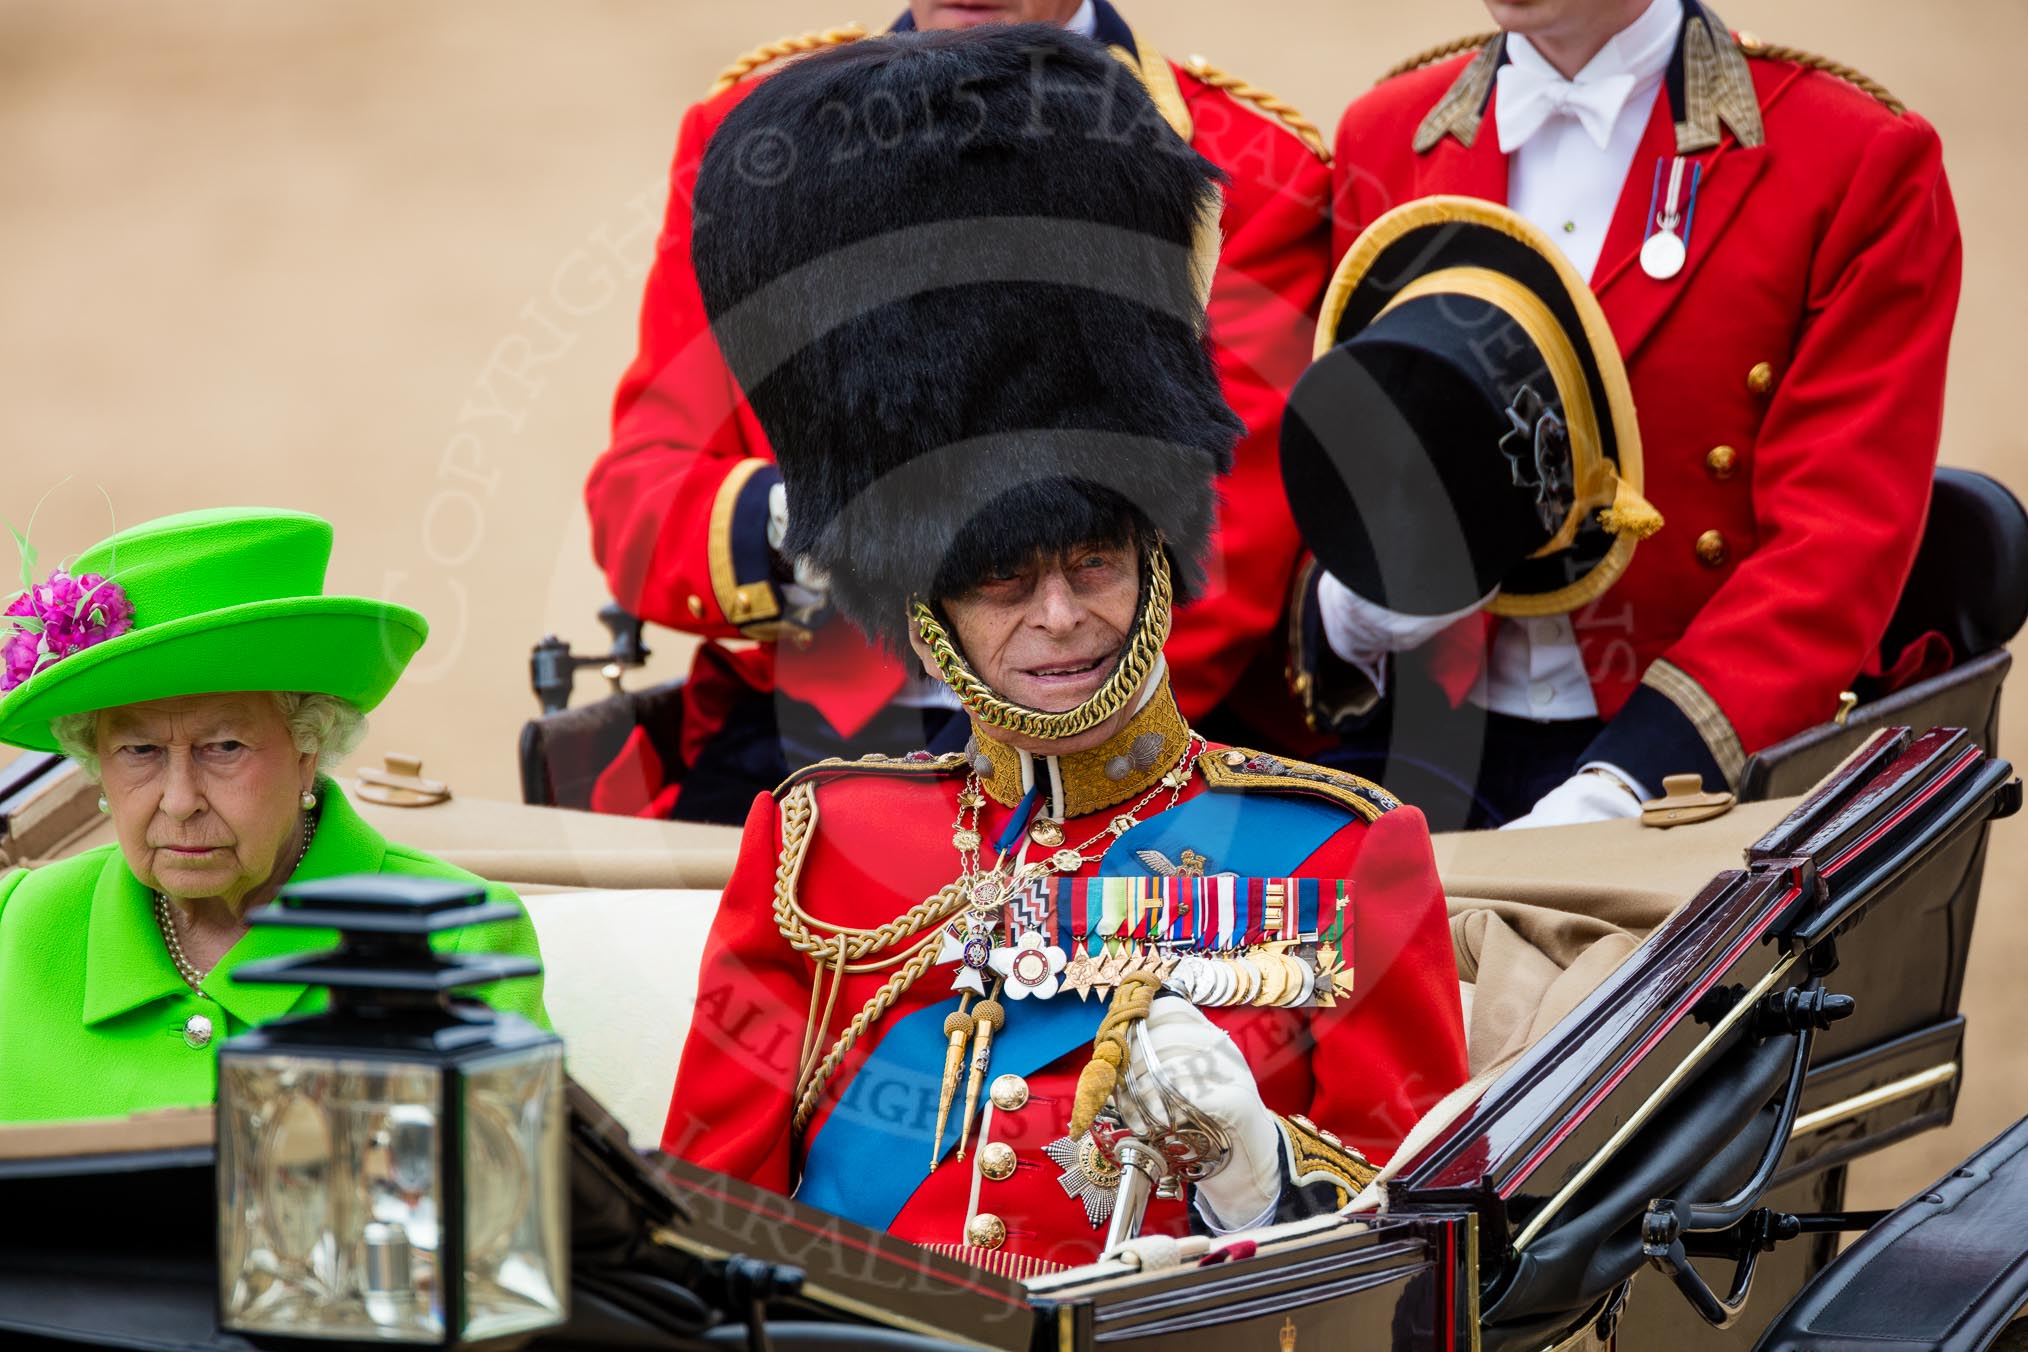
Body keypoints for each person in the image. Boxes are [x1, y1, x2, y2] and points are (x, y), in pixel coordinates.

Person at [660, 28, 1466, 1275]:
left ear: (1157, 557)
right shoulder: (815, 844)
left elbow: (1429, 1268)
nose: (1057, 617)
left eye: (1092, 564)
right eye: (1001, 580)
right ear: (926, 601)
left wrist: (1264, 1183)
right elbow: (707, 1229)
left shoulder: (1348, 856)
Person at [583, 0, 1334, 823]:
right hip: (811, 736)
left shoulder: (1247, 164)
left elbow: (1227, 544)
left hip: (1120, 745)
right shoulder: (749, 135)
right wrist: (811, 524)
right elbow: (642, 498)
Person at [1287, 0, 1959, 828]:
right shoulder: (1387, 131)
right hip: (1428, 743)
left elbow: (1838, 540)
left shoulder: (1853, 154)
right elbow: (1354, 442)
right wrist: (1356, 600)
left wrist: (1627, 781)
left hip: (1693, 769)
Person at [0, 507, 547, 1123]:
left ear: (307, 748)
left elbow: (498, 1195)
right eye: (140, 751)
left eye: (224, 747)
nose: (180, 801)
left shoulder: (453, 939)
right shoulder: (18, 924)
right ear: (96, 761)